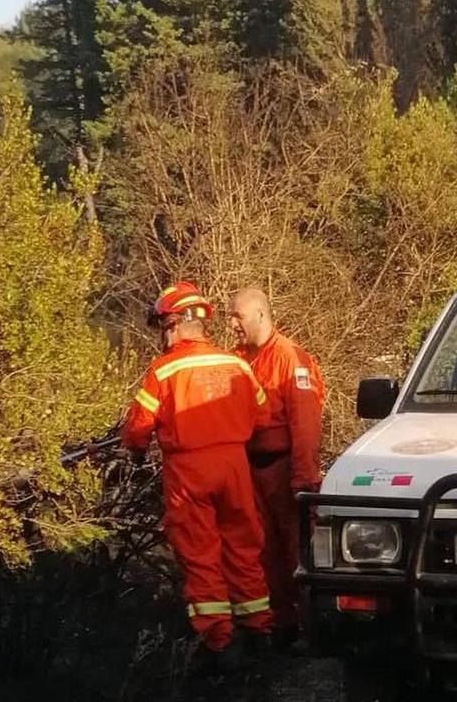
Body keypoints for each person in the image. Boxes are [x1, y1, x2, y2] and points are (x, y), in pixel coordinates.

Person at [121, 282, 274, 671]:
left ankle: (218, 641)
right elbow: (263, 415)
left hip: (190, 471)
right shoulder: (237, 364)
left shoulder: (165, 369)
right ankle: (259, 629)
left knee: (200, 550)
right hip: (235, 466)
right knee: (244, 546)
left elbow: (139, 427)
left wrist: (136, 450)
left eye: (162, 325)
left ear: (173, 324)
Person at [229, 287, 325, 644]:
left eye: (237, 316)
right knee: (262, 551)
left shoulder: (290, 359)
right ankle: (280, 625)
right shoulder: (238, 360)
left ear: (260, 315)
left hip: (285, 470)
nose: (232, 323)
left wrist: (302, 478)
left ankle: (312, 627)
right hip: (250, 470)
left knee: (298, 552)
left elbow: (305, 424)